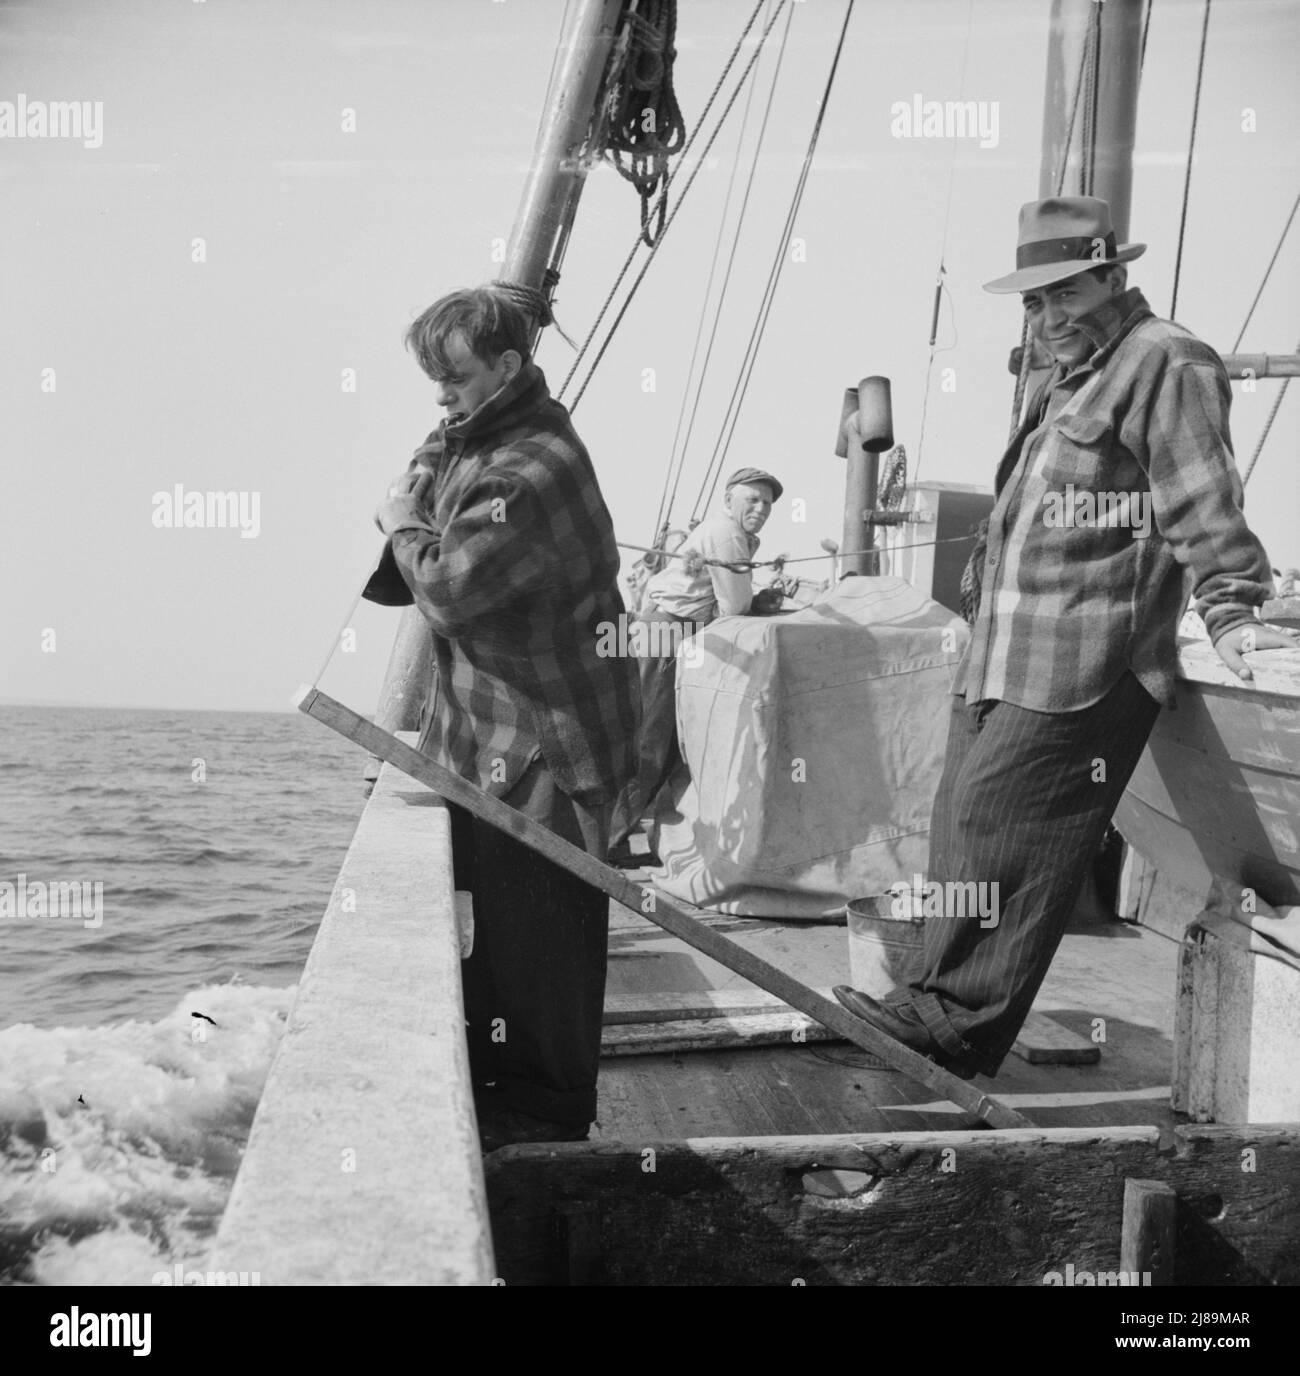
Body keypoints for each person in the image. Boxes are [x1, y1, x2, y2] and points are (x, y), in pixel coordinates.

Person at [833, 196, 1295, 1080]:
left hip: (1088, 656)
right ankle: (926, 1001)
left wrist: (1233, 608)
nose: (1049, 318)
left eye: (1065, 294)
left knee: (1008, 827)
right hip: (1005, 657)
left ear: (1114, 277)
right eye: (1034, 303)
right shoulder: (1064, 375)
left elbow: (1201, 499)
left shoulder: (1166, 360)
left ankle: (960, 1027)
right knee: (963, 829)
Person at [367, 281, 638, 1149]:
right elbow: (436, 457)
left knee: (542, 941)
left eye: (455, 379)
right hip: (492, 732)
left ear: (510, 367)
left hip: (549, 743)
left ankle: (549, 1117)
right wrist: (423, 487)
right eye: (434, 383)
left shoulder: (531, 468)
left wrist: (405, 518)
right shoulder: (486, 435)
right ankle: (506, 1089)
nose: (441, 399)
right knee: (501, 936)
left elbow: (446, 586)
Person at [606, 468, 784, 867]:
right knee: (651, 743)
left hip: (665, 633)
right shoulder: (727, 534)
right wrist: (753, 604)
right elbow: (734, 607)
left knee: (661, 746)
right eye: (751, 500)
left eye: (767, 503)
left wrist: (756, 600)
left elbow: (730, 597)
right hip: (665, 636)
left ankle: (614, 837)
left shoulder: (729, 532)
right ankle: (606, 841)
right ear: (728, 500)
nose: (760, 508)